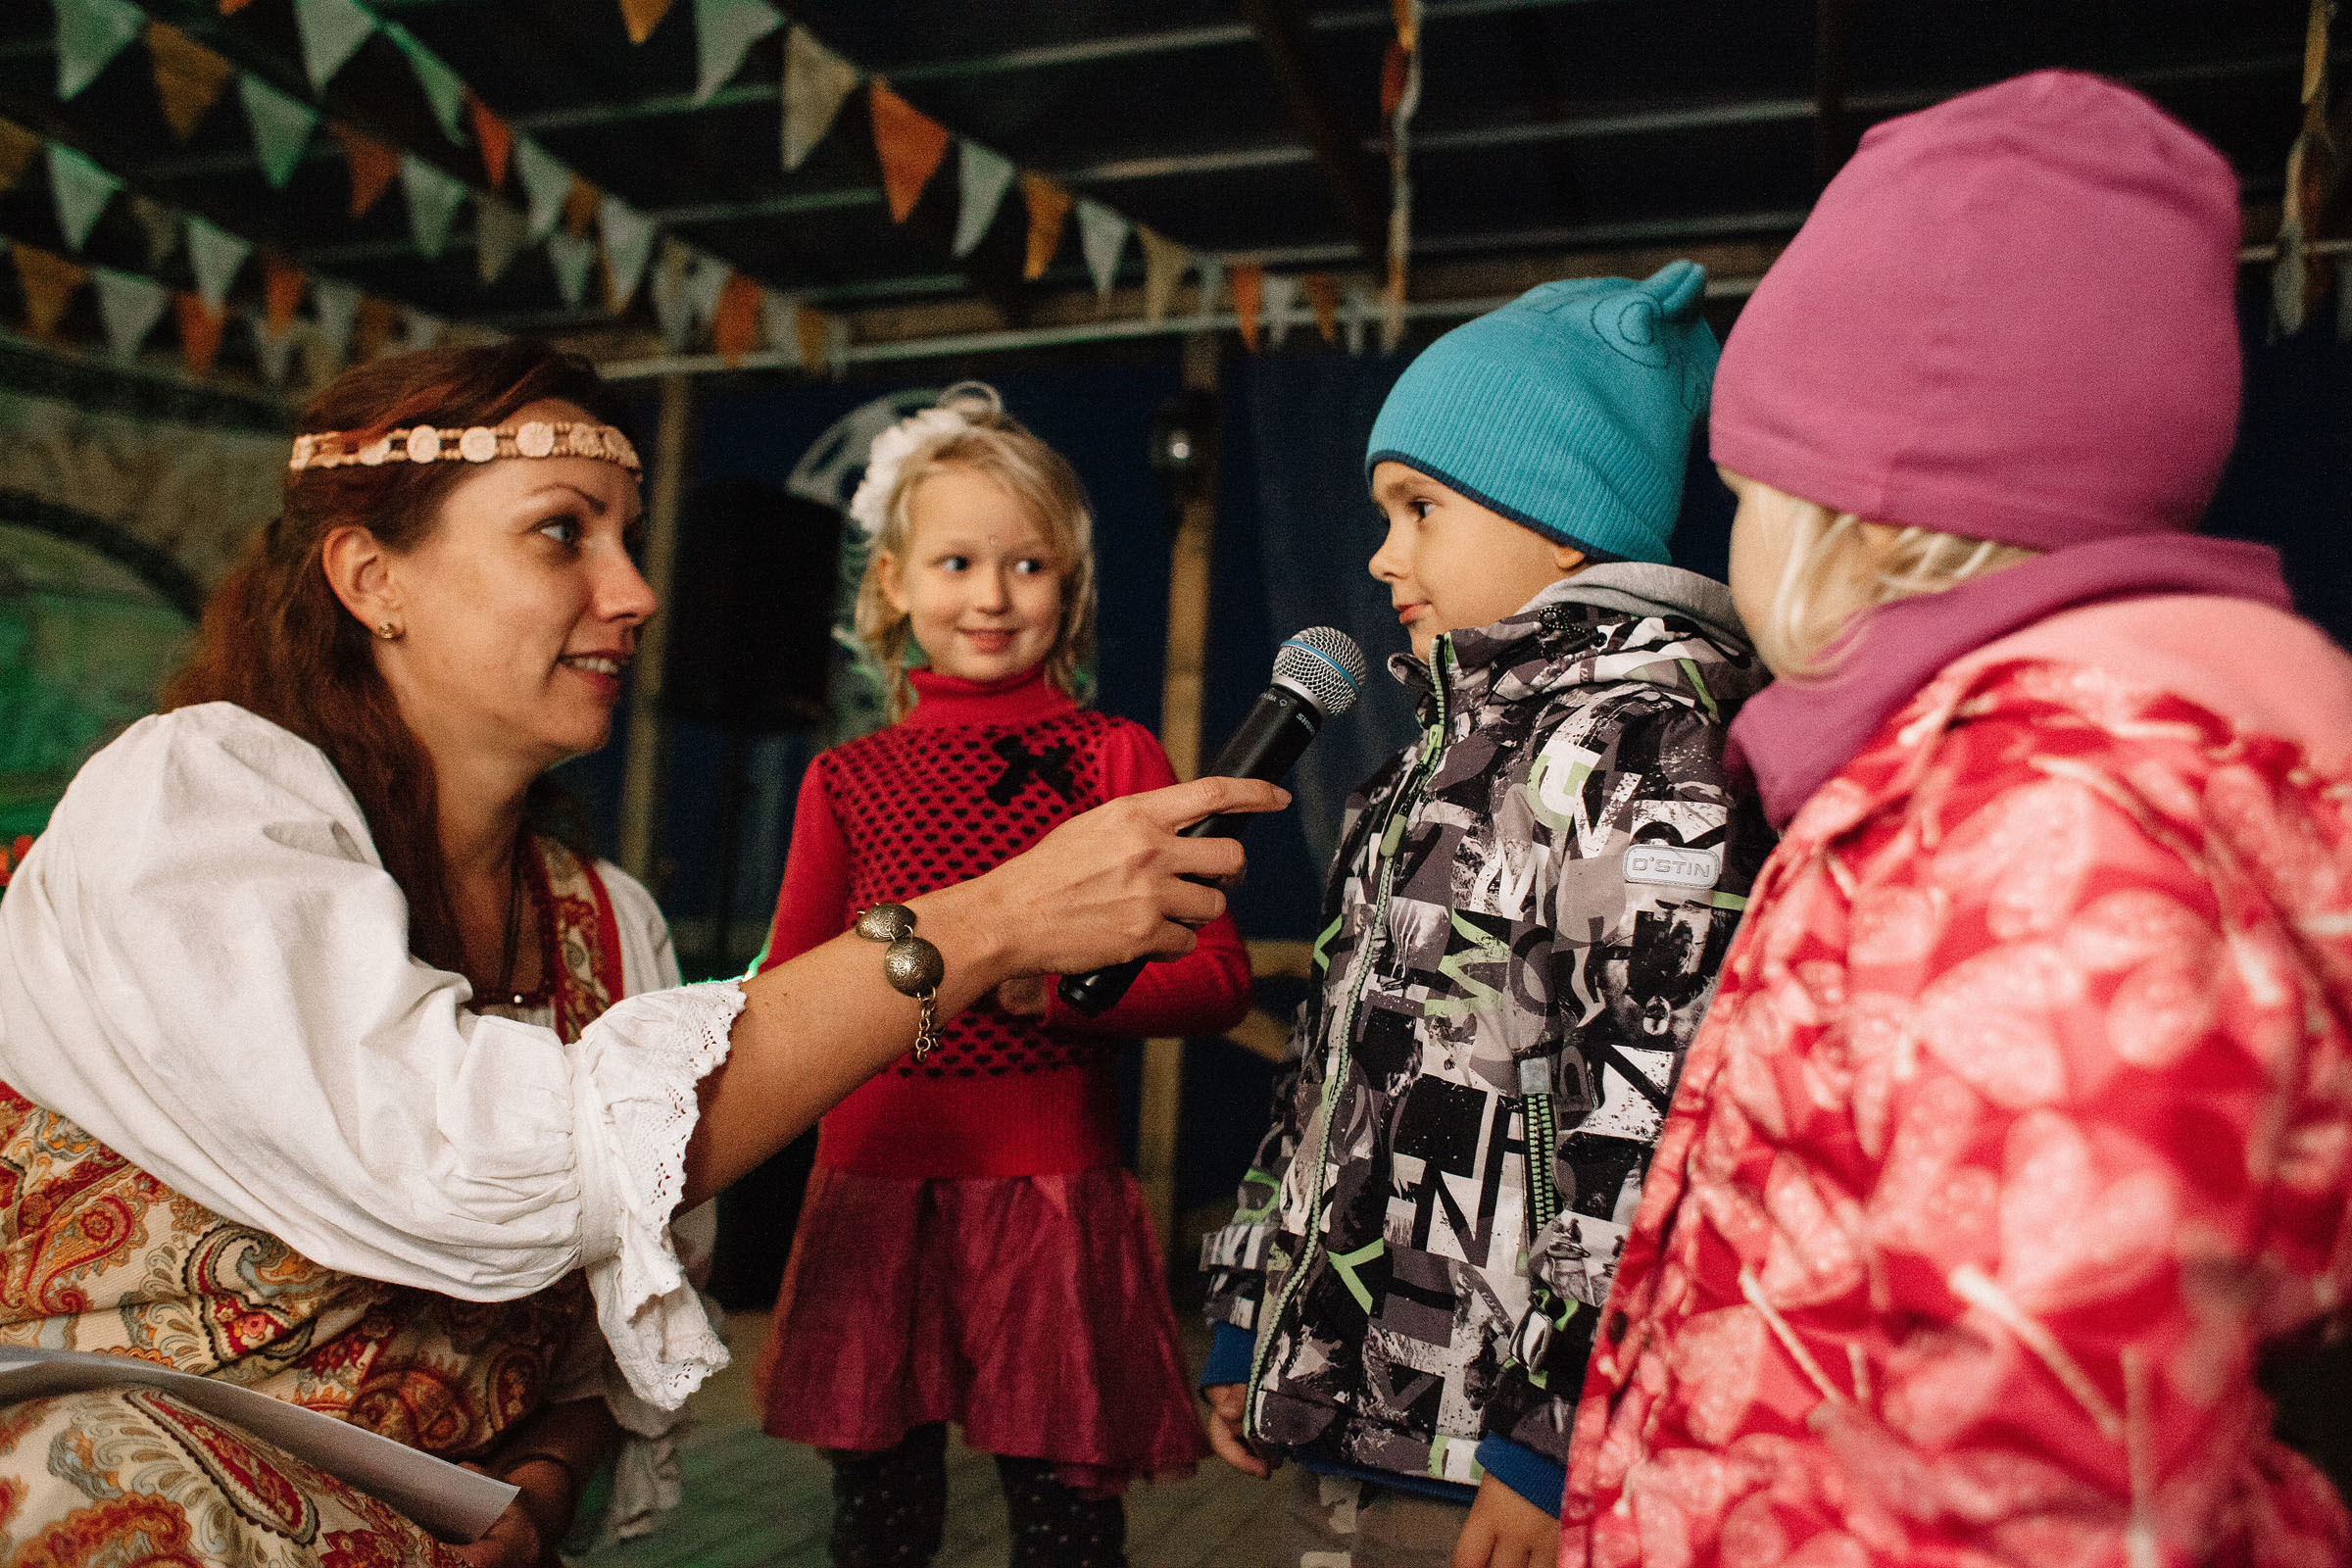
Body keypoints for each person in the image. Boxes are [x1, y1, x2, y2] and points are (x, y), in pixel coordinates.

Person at [0, 343, 1282, 1568]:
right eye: (563, 530)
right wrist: (985, 925)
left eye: (626, 533)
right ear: (370, 577)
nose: (637, 590)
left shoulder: (608, 922)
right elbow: (475, 1162)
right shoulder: (199, 797)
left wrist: (546, 1484)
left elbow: (621, 1305)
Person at [1559, 72, 2352, 1567]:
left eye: (1747, 488)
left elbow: (2056, 1440)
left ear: (1873, 519)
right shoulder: (1969, 785)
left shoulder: (2044, 830)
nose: (1728, 542)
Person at [1199, 264, 1772, 1568]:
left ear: (1557, 514)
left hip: (1500, 1457)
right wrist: (1255, 1317)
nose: (1382, 553)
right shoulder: (1413, 773)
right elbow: (1323, 1088)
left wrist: (1557, 1431)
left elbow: (1655, 1121)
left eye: (1418, 507)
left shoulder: (1657, 759)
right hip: (1350, 1418)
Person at [750, 383, 1251, 1568]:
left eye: (1027, 565)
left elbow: (1218, 977)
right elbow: (789, 980)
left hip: (1048, 1182)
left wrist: (1064, 989)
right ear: (895, 584)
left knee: (1068, 1519)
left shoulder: (1111, 756)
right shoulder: (844, 779)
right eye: (958, 560)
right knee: (876, 1517)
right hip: (875, 1179)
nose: (989, 594)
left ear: (1067, 589)